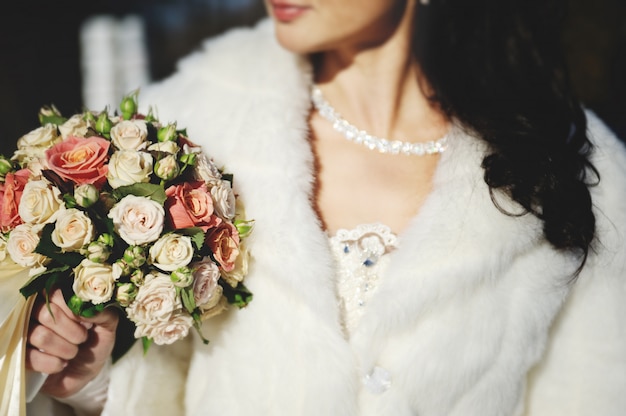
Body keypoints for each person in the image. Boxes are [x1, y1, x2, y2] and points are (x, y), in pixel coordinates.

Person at [22, 0, 626, 414]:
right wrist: (92, 379)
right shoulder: (191, 127)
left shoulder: (572, 159)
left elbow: (593, 393)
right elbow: (160, 390)